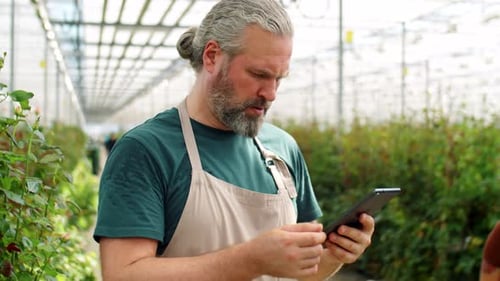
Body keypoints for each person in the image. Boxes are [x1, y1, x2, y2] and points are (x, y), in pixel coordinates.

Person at [93, 0, 375, 280]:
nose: (271, 93)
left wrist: (335, 255)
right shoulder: (146, 151)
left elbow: (303, 271)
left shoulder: (283, 148)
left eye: (279, 78)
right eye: (259, 74)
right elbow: (123, 274)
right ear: (212, 56)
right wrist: (251, 260)